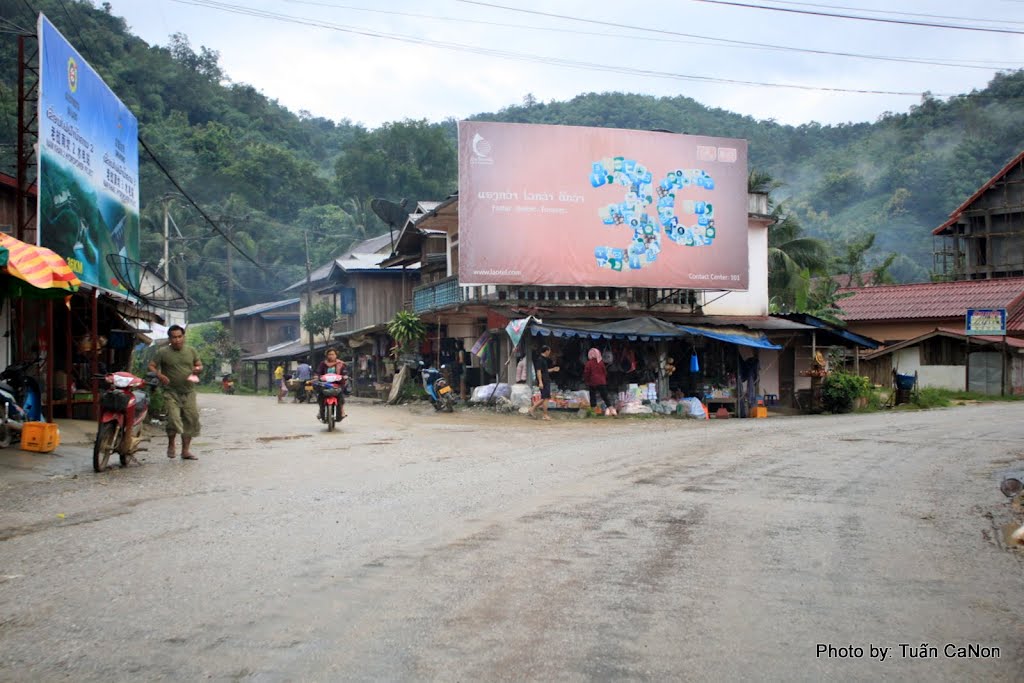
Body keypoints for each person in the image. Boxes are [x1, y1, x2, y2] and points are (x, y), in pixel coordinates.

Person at [149, 324, 202, 461]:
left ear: (183, 337)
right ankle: (171, 444)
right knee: (173, 418)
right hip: (170, 391)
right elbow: (152, 365)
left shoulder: (191, 350)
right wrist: (159, 375)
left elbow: (198, 364)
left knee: (191, 418)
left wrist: (198, 369)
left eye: (179, 337)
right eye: (174, 337)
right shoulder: (162, 352)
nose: (177, 340)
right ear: (169, 339)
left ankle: (185, 451)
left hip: (189, 391)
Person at [526, 345, 559, 421]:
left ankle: (532, 409)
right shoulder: (540, 360)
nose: (550, 353)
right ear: (546, 351)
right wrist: (540, 382)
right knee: (545, 398)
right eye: (549, 351)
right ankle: (544, 414)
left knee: (545, 397)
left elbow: (545, 371)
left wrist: (553, 369)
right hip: (543, 381)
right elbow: (539, 371)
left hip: (546, 380)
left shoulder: (544, 360)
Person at [316, 347, 348, 420]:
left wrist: (344, 376)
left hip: (337, 383)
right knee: (320, 396)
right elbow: (318, 372)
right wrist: (316, 376)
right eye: (329, 354)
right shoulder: (323, 364)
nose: (331, 356)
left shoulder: (341, 364)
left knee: (340, 396)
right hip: (325, 384)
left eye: (333, 354)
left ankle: (342, 411)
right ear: (327, 355)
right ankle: (320, 411)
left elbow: (344, 372)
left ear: (336, 355)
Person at [583, 347, 613, 414]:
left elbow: (586, 373)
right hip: (602, 382)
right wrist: (603, 379)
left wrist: (586, 380)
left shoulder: (589, 363)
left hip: (592, 382)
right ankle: (612, 410)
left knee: (593, 396)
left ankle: (593, 411)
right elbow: (605, 372)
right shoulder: (601, 362)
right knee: (605, 396)